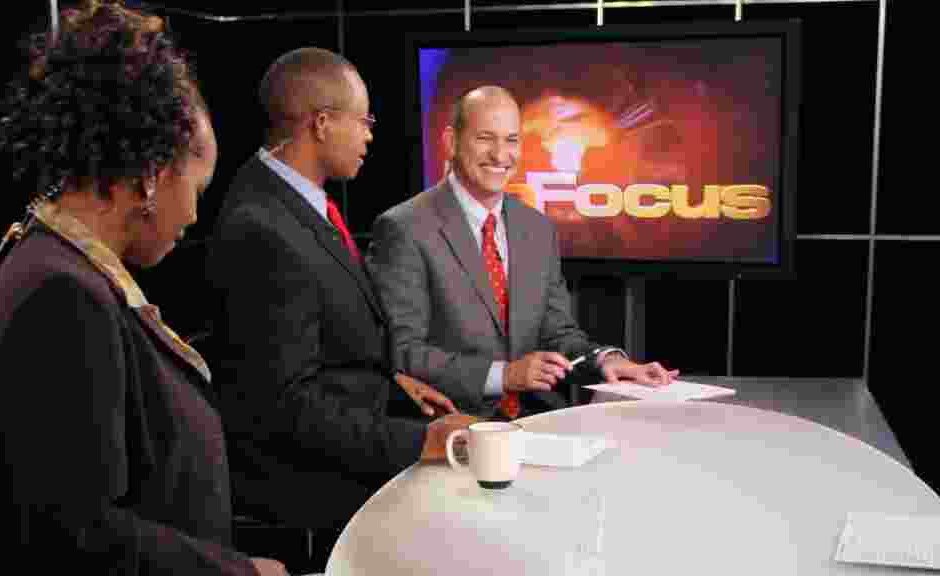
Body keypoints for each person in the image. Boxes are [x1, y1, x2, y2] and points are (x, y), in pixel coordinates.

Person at [0, 2, 285, 574]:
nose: (195, 214)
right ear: (151, 174)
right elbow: (75, 533)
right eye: (197, 186)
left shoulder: (58, 262)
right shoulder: (60, 294)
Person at [205, 47, 477, 563]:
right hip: (306, 500)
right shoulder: (260, 227)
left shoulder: (294, 202)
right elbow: (284, 405)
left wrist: (390, 382)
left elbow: (317, 343)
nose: (371, 134)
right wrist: (420, 441)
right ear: (322, 123)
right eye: (364, 120)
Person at [367, 86, 679, 419]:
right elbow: (404, 353)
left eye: (511, 140)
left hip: (538, 420)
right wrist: (505, 375)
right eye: (485, 138)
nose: (501, 155)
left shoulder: (536, 228)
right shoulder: (404, 228)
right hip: (454, 425)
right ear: (451, 142)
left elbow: (558, 334)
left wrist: (608, 361)